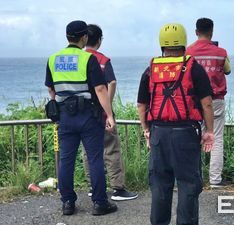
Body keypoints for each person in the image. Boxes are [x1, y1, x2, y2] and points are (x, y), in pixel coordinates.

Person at [137, 23, 215, 225]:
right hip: (186, 134)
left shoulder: (151, 69)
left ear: (162, 44)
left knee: (160, 185)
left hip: (158, 134)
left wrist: (146, 130)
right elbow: (206, 103)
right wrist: (209, 131)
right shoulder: (193, 67)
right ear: (184, 41)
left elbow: (142, 104)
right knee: (188, 184)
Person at [45, 20, 117, 216]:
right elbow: (101, 88)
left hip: (65, 116)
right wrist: (109, 115)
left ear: (67, 37)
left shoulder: (53, 59)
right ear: (84, 37)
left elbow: (51, 89)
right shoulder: (88, 59)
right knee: (95, 158)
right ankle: (100, 203)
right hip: (88, 115)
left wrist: (58, 106)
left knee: (66, 160)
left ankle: (67, 203)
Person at [82, 24, 138, 201]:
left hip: (83, 112)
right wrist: (108, 107)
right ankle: (118, 189)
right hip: (102, 111)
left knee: (88, 150)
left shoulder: (79, 58)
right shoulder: (103, 60)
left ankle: (93, 186)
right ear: (99, 40)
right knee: (111, 149)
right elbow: (111, 82)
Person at [186, 18, 232, 188]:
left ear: (196, 32)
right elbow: (228, 70)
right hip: (216, 100)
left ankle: (192, 177)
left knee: (193, 138)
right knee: (217, 138)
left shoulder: (187, 52)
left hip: (194, 101)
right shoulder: (221, 52)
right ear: (212, 32)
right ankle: (215, 180)